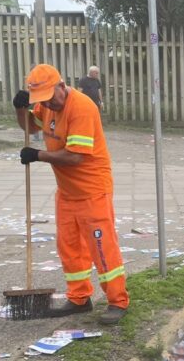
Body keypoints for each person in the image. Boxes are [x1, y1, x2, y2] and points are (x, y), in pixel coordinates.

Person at [13, 64, 129, 325]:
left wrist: (38, 155)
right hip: (67, 192)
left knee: (102, 248)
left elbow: (75, 156)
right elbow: (30, 128)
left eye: (50, 98)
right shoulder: (47, 104)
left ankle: (117, 301)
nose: (48, 105)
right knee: (69, 248)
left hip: (92, 191)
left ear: (62, 86)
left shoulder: (83, 107)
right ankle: (79, 298)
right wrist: (21, 109)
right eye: (40, 101)